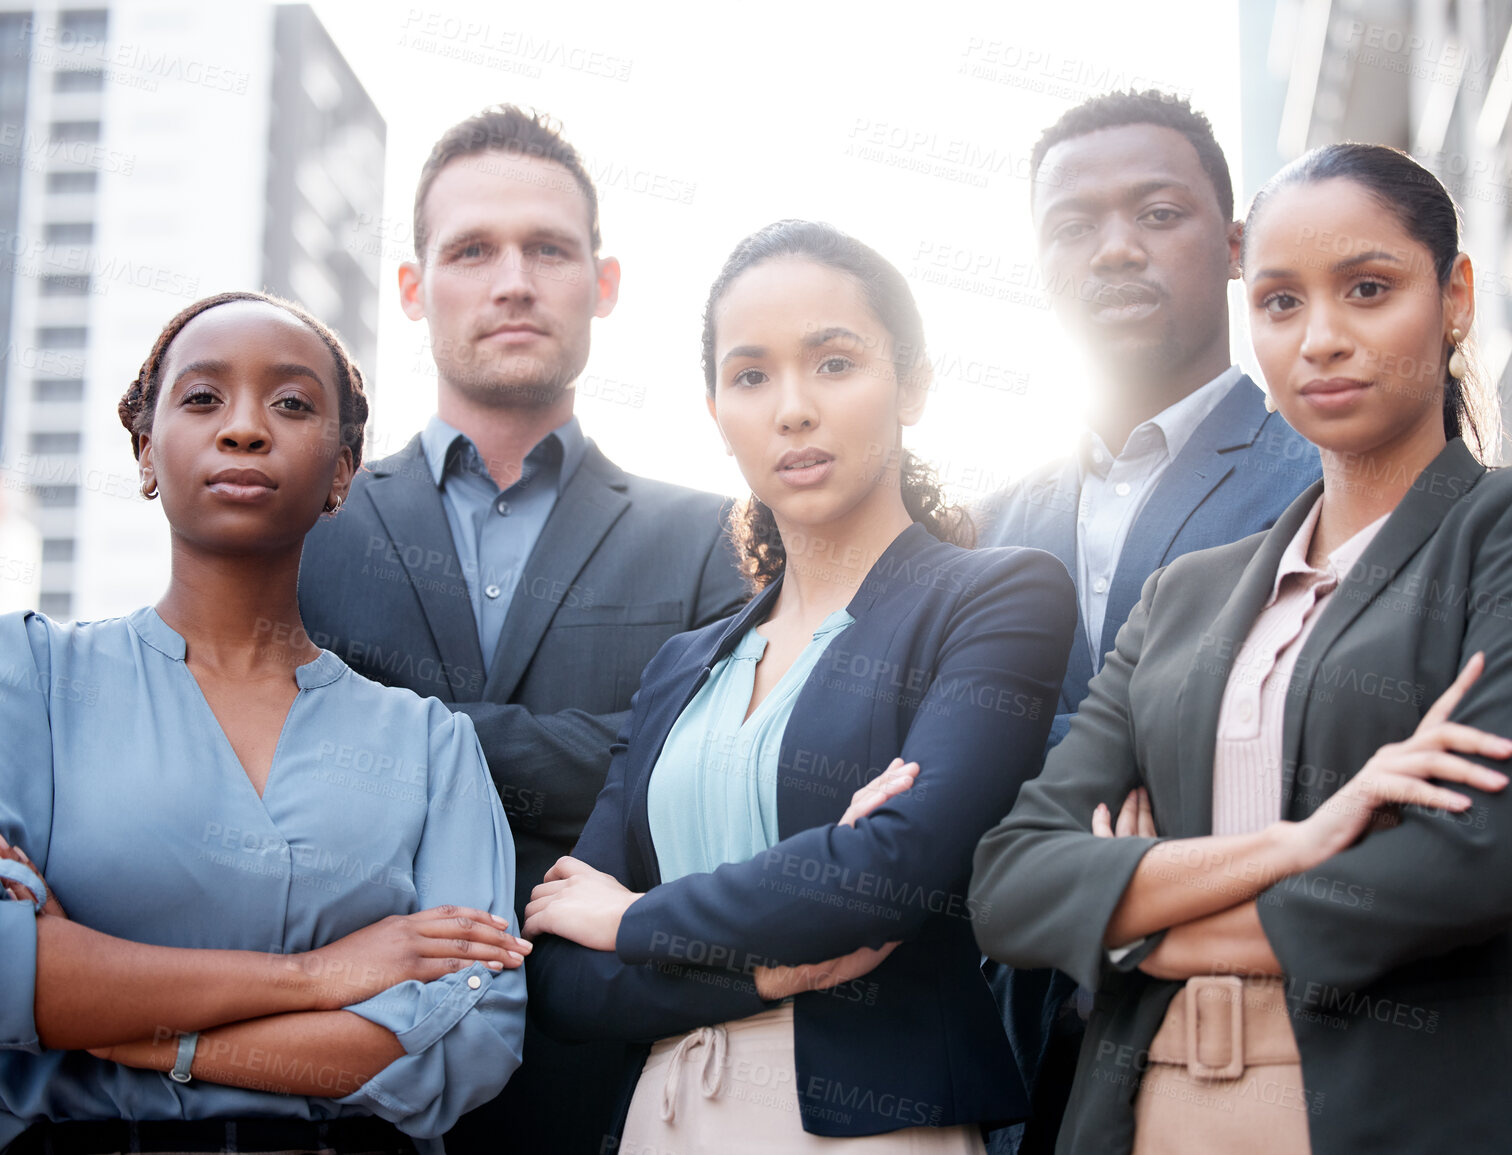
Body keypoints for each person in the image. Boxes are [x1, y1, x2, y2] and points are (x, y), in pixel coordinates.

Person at [970, 142, 1512, 1155]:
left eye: (1368, 289)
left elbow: (1465, 866)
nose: (1321, 338)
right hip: (1145, 1110)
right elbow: (1012, 885)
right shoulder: (1183, 597)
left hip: (1410, 1110)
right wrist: (1299, 842)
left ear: (1453, 299)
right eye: (1280, 303)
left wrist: (1139, 919)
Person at [522, 220, 1076, 1151]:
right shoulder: (680, 667)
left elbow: (886, 880)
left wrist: (635, 919)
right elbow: (563, 979)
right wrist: (771, 971)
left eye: (832, 363)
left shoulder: (996, 598)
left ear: (913, 383)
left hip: (865, 1128)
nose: (791, 409)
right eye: (750, 375)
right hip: (664, 1117)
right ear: (715, 410)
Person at [296, 106, 749, 1153]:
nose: (513, 281)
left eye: (549, 248)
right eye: (472, 250)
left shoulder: (713, 541)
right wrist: (605, 742)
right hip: (343, 1091)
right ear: (413, 290)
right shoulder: (307, 528)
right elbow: (263, 760)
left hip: (617, 1098)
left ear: (605, 281)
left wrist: (393, 734)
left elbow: (691, 779)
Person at [0, 291, 528, 1154]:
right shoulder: (28, 680)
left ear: (343, 472)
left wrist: (124, 1026)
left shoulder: (430, 743)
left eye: (291, 403)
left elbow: (468, 1037)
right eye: (203, 398)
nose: (244, 427)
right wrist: (320, 976)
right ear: (144, 452)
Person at [974, 89, 1321, 1155]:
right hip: (1016, 1073)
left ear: (1232, 246)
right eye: (1074, 226)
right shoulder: (982, 533)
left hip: (1262, 1048)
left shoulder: (1323, 481)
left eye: (1157, 214)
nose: (1114, 248)